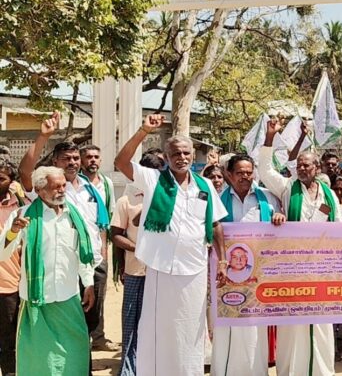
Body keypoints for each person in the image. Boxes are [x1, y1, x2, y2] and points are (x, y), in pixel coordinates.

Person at [114, 114, 229, 376]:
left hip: (195, 268)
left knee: (191, 328)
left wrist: (222, 260)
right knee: (159, 327)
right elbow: (121, 162)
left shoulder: (205, 185)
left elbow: (215, 225)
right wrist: (144, 130)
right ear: (166, 157)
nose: (182, 157)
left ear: (193, 155)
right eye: (176, 153)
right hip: (160, 267)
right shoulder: (154, 179)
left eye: (186, 153)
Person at [18, 113, 109, 366]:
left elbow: (99, 226)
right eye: (66, 159)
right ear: (55, 162)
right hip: (54, 275)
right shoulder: (44, 192)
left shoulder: (94, 187)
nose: (73, 162)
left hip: (91, 265)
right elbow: (24, 171)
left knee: (87, 328)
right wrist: (44, 135)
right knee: (60, 336)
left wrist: (99, 262)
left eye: (75, 158)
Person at [258, 119, 340, 376]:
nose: (302, 168)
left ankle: (321, 371)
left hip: (321, 267)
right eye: (299, 165)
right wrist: (269, 137)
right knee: (293, 321)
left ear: (317, 168)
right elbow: (264, 171)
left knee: (321, 321)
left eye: (307, 165)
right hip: (292, 267)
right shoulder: (287, 188)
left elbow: (339, 228)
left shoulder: (329, 194)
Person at [0, 166, 95, 375]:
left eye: (63, 185)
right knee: (39, 359)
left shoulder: (74, 215)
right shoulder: (23, 215)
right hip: (37, 300)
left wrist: (88, 283)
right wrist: (13, 231)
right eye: (56, 187)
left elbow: (83, 254)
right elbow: (2, 254)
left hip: (69, 296)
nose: (62, 190)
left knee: (75, 351)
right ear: (39, 190)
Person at [212, 153, 285, 376]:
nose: (245, 177)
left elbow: (281, 222)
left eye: (249, 172)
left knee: (255, 323)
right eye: (240, 173)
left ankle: (256, 370)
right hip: (226, 271)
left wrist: (279, 217)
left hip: (258, 273)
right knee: (228, 323)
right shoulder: (218, 200)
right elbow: (212, 229)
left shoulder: (267, 198)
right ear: (229, 174)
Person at [110, 151, 165, 376]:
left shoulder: (168, 198)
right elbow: (116, 234)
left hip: (163, 271)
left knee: (158, 320)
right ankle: (129, 368)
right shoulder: (126, 200)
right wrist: (139, 250)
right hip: (136, 269)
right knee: (132, 319)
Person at [78, 144, 119, 352]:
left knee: (99, 292)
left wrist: (104, 249)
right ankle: (80, 338)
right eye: (88, 157)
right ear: (81, 160)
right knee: (80, 292)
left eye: (96, 157)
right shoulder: (75, 184)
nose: (92, 160)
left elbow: (108, 217)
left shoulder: (106, 183)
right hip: (79, 248)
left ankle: (98, 337)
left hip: (100, 245)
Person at [0, 158, 23, 374]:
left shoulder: (21, 209)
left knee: (9, 341)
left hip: (9, 284)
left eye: (1, 178)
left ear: (12, 181)